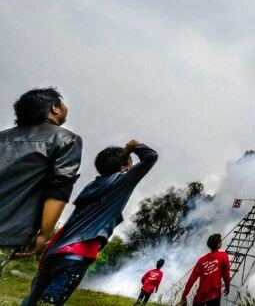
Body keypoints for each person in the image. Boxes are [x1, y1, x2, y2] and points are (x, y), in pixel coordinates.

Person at [22, 140, 158, 306]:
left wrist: (52, 242)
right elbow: (151, 157)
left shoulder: (92, 186)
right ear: (123, 168)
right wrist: (134, 146)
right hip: (76, 256)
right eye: (130, 162)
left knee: (32, 300)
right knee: (50, 303)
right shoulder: (121, 181)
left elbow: (74, 219)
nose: (132, 166)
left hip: (55, 251)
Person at [0, 88, 82, 258]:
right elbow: (58, 190)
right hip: (9, 232)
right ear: (55, 108)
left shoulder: (2, 137)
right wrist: (44, 234)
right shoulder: (66, 140)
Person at [180, 233, 231, 306]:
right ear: (219, 244)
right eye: (220, 241)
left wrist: (184, 295)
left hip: (200, 296)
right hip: (214, 295)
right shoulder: (224, 256)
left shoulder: (201, 260)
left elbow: (191, 279)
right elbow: (226, 274)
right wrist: (227, 286)